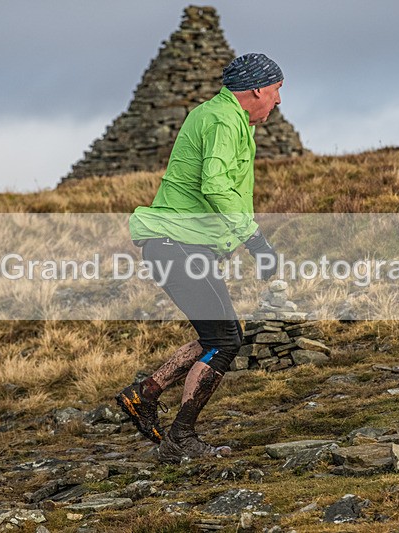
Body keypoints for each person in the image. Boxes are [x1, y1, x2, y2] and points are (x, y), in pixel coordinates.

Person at [116, 53, 284, 463]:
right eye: (277, 90)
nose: (279, 101)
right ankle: (181, 438)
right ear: (258, 89)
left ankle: (145, 394)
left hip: (176, 245)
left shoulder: (225, 117)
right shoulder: (224, 120)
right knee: (226, 340)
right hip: (176, 246)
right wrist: (255, 241)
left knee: (218, 335)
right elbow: (215, 184)